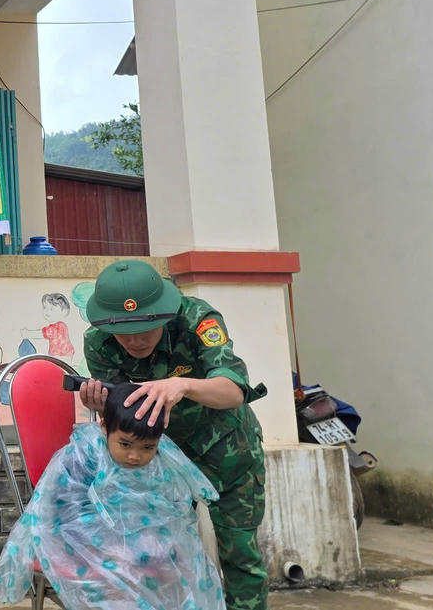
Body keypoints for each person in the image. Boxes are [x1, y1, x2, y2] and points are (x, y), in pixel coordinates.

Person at [78, 260, 268, 610]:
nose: (135, 340)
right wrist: (102, 405)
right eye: (124, 330)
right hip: (162, 458)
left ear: (164, 314)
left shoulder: (197, 320)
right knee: (159, 557)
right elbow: (125, 414)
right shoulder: (99, 343)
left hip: (227, 449)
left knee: (240, 555)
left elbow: (234, 392)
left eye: (146, 328)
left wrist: (182, 384)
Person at [0, 382, 225, 610]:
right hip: (82, 543)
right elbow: (62, 513)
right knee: (123, 575)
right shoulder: (82, 457)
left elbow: (170, 509)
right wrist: (112, 545)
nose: (135, 456)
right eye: (125, 444)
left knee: (180, 562)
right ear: (105, 427)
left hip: (137, 543)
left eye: (148, 447)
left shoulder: (160, 462)